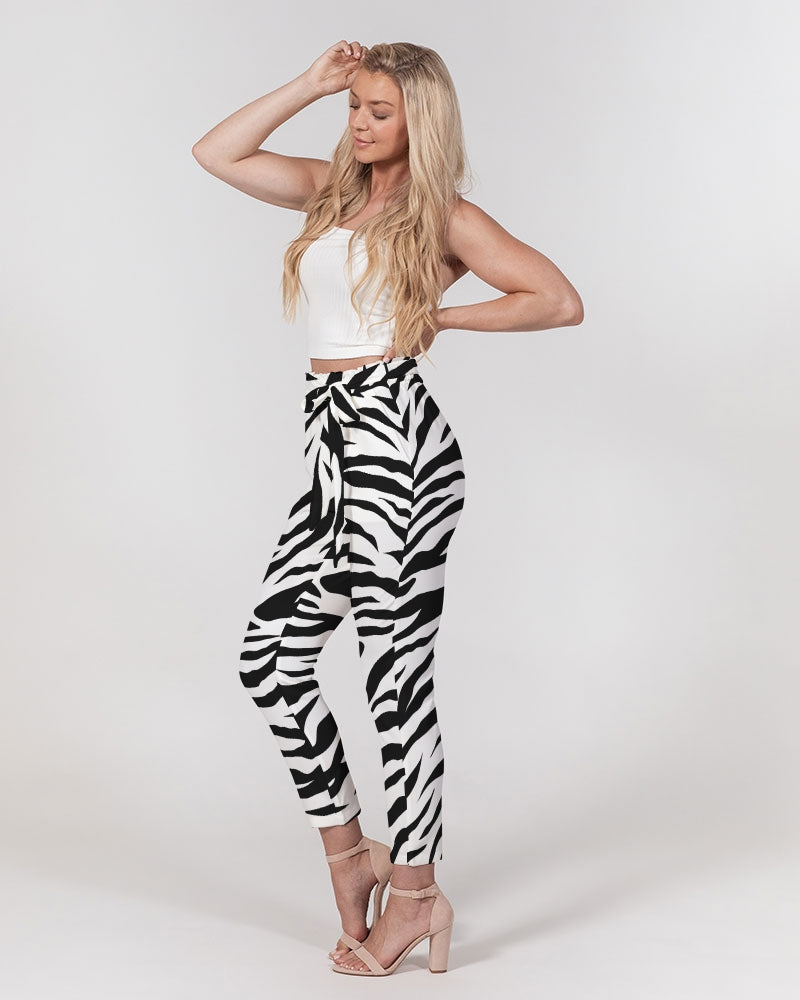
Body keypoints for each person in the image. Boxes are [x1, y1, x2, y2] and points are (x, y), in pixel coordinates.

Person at [192, 38, 583, 977]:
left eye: (378, 110)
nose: (359, 124)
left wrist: (439, 316)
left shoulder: (443, 214)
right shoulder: (330, 191)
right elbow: (216, 152)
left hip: (398, 446)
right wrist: (310, 82)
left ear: (422, 120)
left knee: (393, 682)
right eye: (353, 107)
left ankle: (415, 893)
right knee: (270, 660)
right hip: (329, 446)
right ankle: (350, 852)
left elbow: (556, 299)